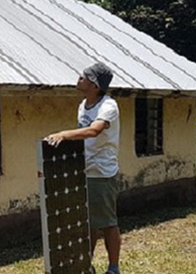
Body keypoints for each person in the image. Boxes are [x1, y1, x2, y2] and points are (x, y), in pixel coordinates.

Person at [45, 62, 121, 274]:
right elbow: (82, 137)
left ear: (95, 85)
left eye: (84, 76)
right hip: (84, 170)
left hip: (102, 173)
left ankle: (113, 268)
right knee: (87, 223)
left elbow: (94, 131)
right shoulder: (83, 105)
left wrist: (63, 134)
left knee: (107, 223)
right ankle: (85, 265)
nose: (79, 78)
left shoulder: (108, 106)